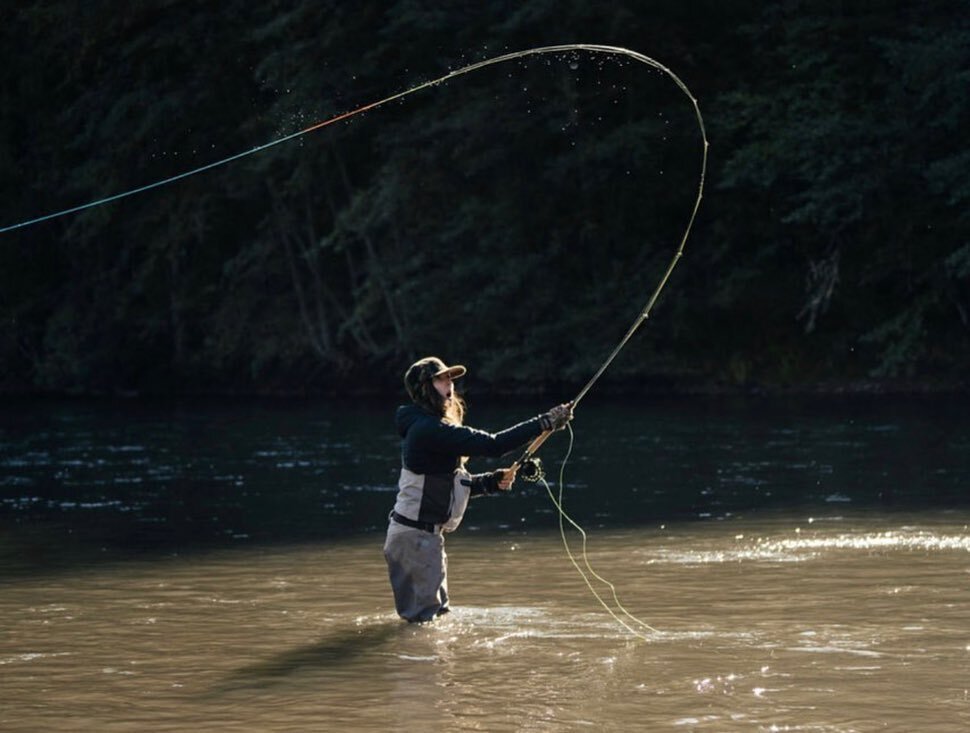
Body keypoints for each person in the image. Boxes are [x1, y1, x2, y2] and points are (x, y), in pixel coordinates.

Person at [383, 356, 573, 622]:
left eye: (450, 378)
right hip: (416, 540)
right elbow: (494, 445)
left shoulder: (429, 428)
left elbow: (444, 485)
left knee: (437, 619)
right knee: (423, 624)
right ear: (425, 388)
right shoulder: (428, 429)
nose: (450, 384)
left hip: (423, 539)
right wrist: (544, 422)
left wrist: (490, 482)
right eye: (441, 379)